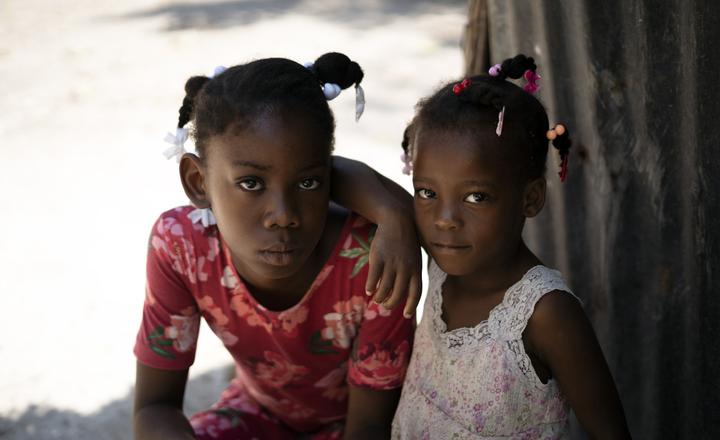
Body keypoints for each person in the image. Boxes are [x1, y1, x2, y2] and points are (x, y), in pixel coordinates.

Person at [133, 52, 421, 440]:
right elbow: (155, 407)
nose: (283, 216)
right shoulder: (181, 246)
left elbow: (371, 426)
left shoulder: (372, 257)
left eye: (307, 183)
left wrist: (394, 215)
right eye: (251, 183)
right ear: (198, 182)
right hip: (254, 414)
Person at [391, 54, 631, 439]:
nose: (444, 218)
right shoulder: (438, 260)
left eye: (476, 197)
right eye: (427, 192)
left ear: (531, 199)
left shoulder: (545, 312)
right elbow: (345, 174)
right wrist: (389, 219)